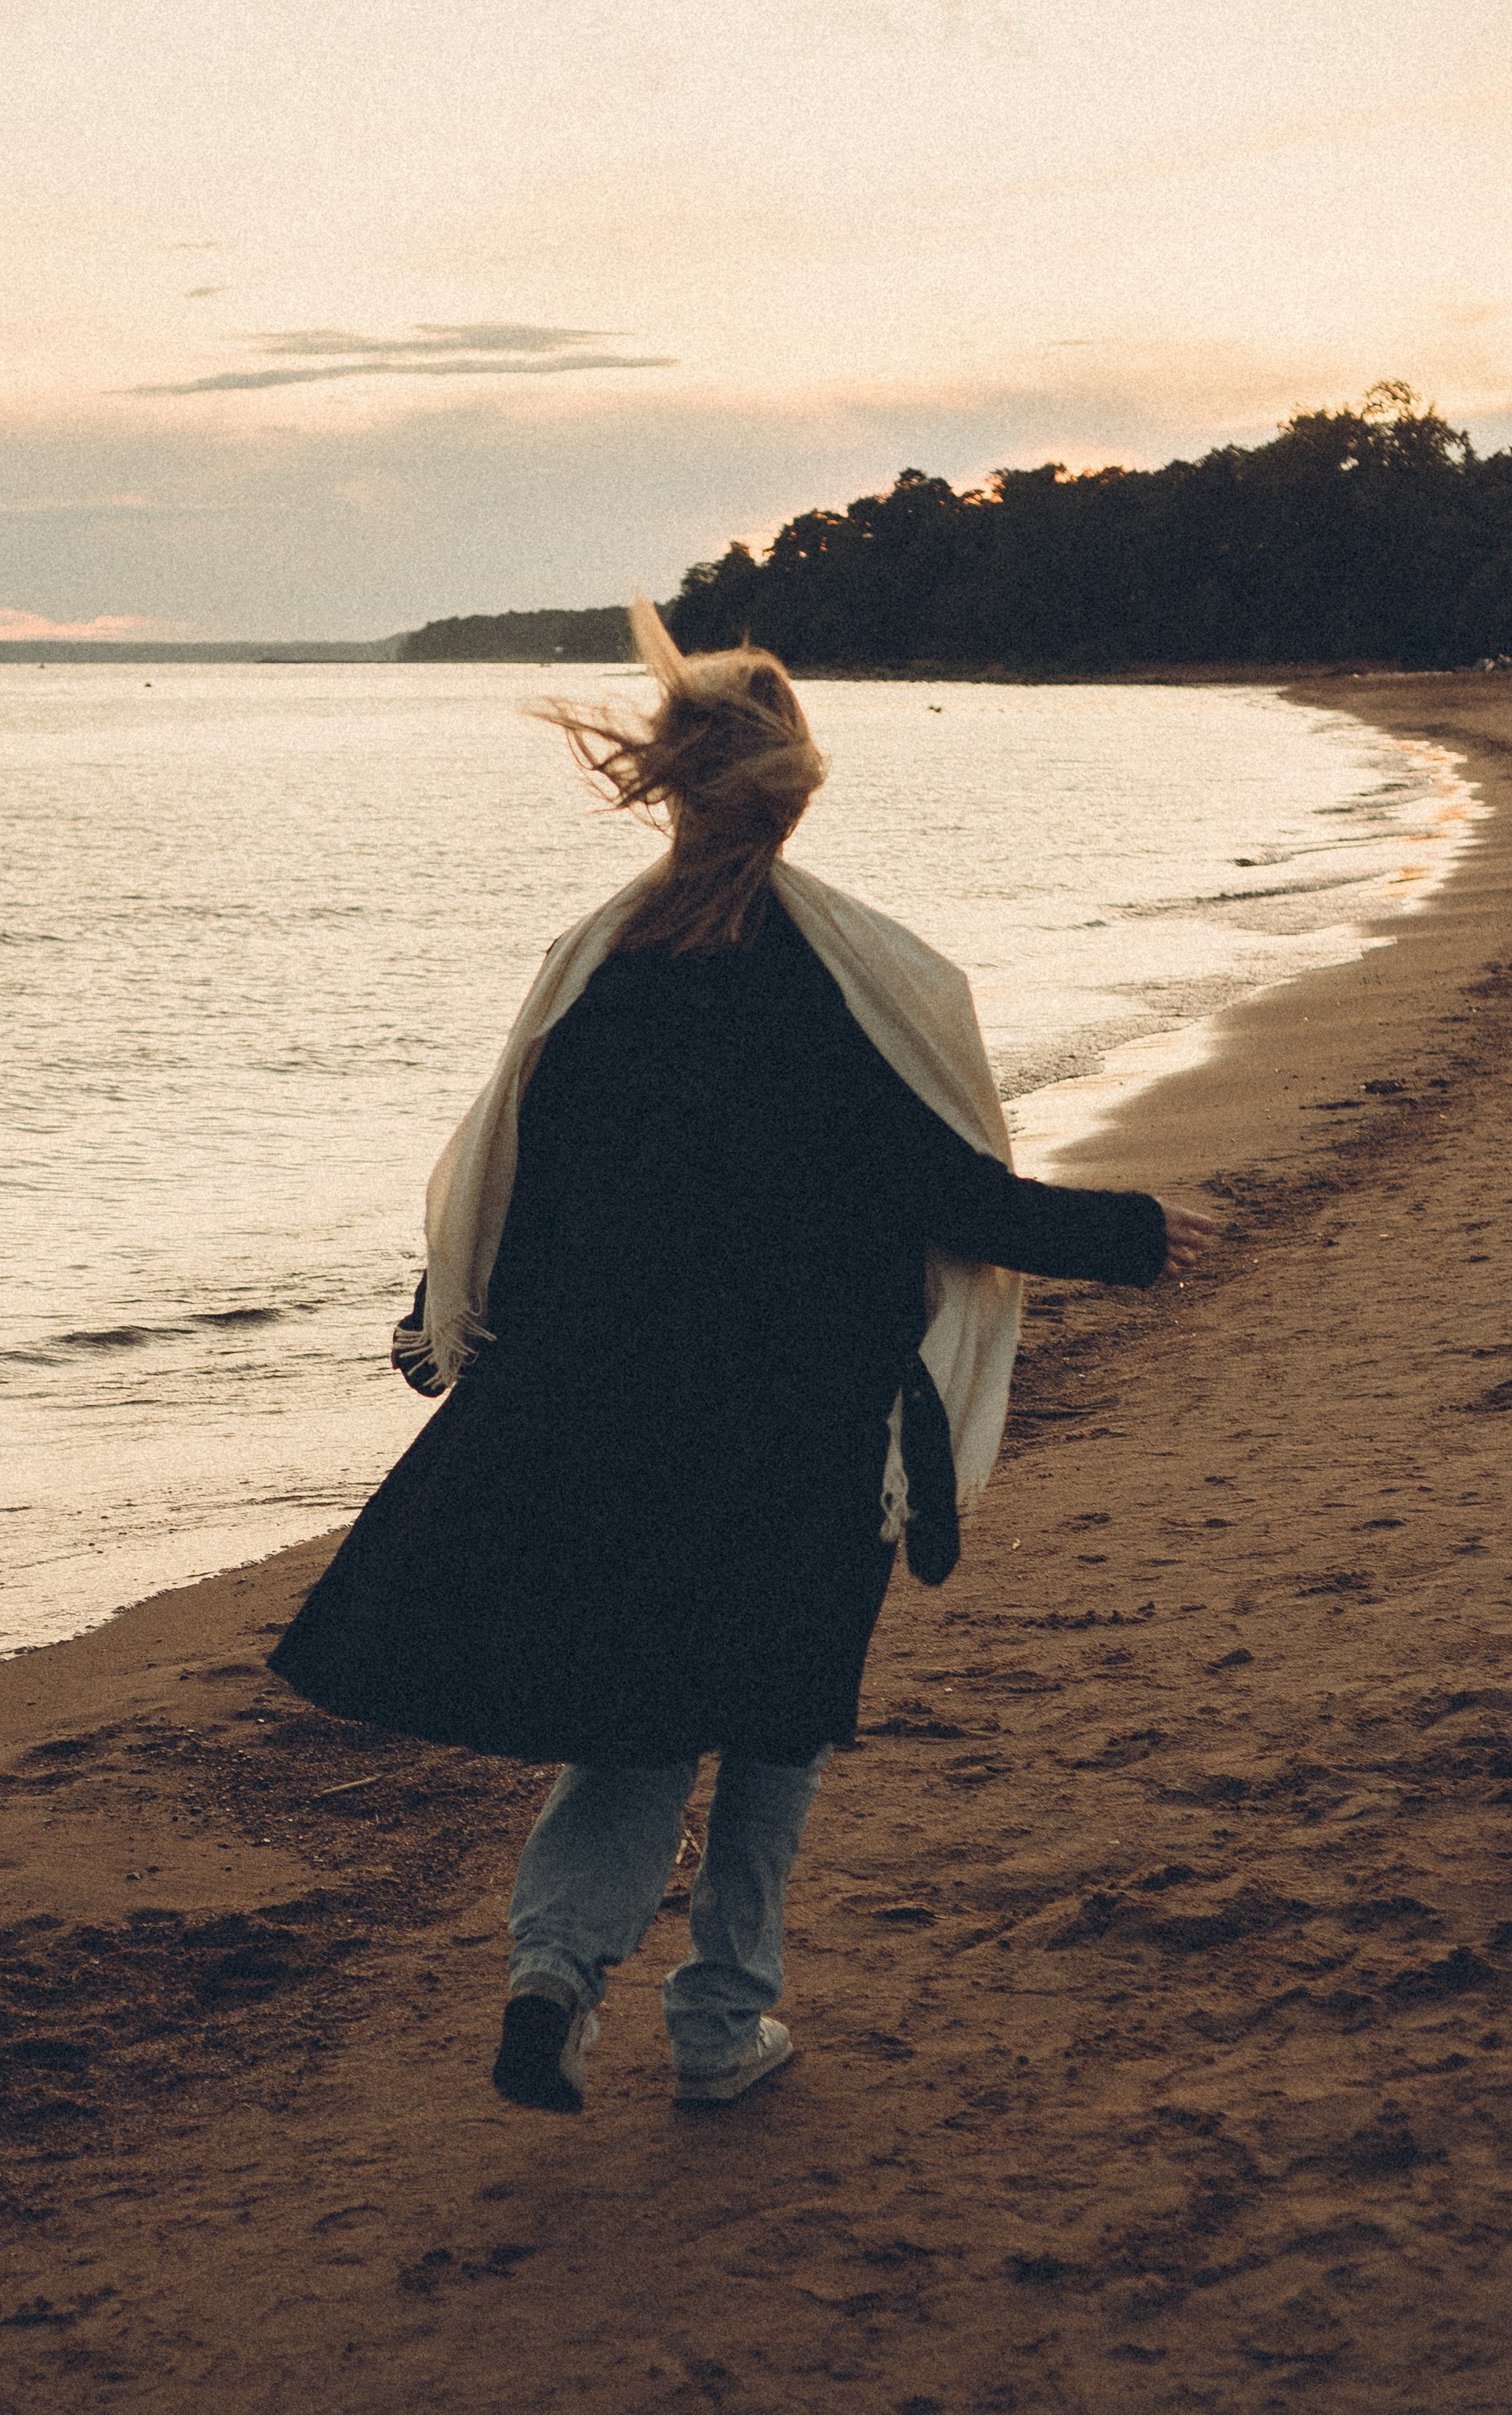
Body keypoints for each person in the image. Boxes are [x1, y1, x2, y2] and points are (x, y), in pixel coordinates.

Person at [271, 604, 1216, 2115]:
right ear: (797, 788)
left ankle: (554, 1971)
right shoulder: (845, 991)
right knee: (774, 1724)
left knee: (632, 1720)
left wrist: (446, 1333)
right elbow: (950, 1198)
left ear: (672, 782)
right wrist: (1146, 1232)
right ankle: (719, 2026)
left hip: (610, 1419)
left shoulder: (591, 982)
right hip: (800, 1430)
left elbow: (520, 1196)